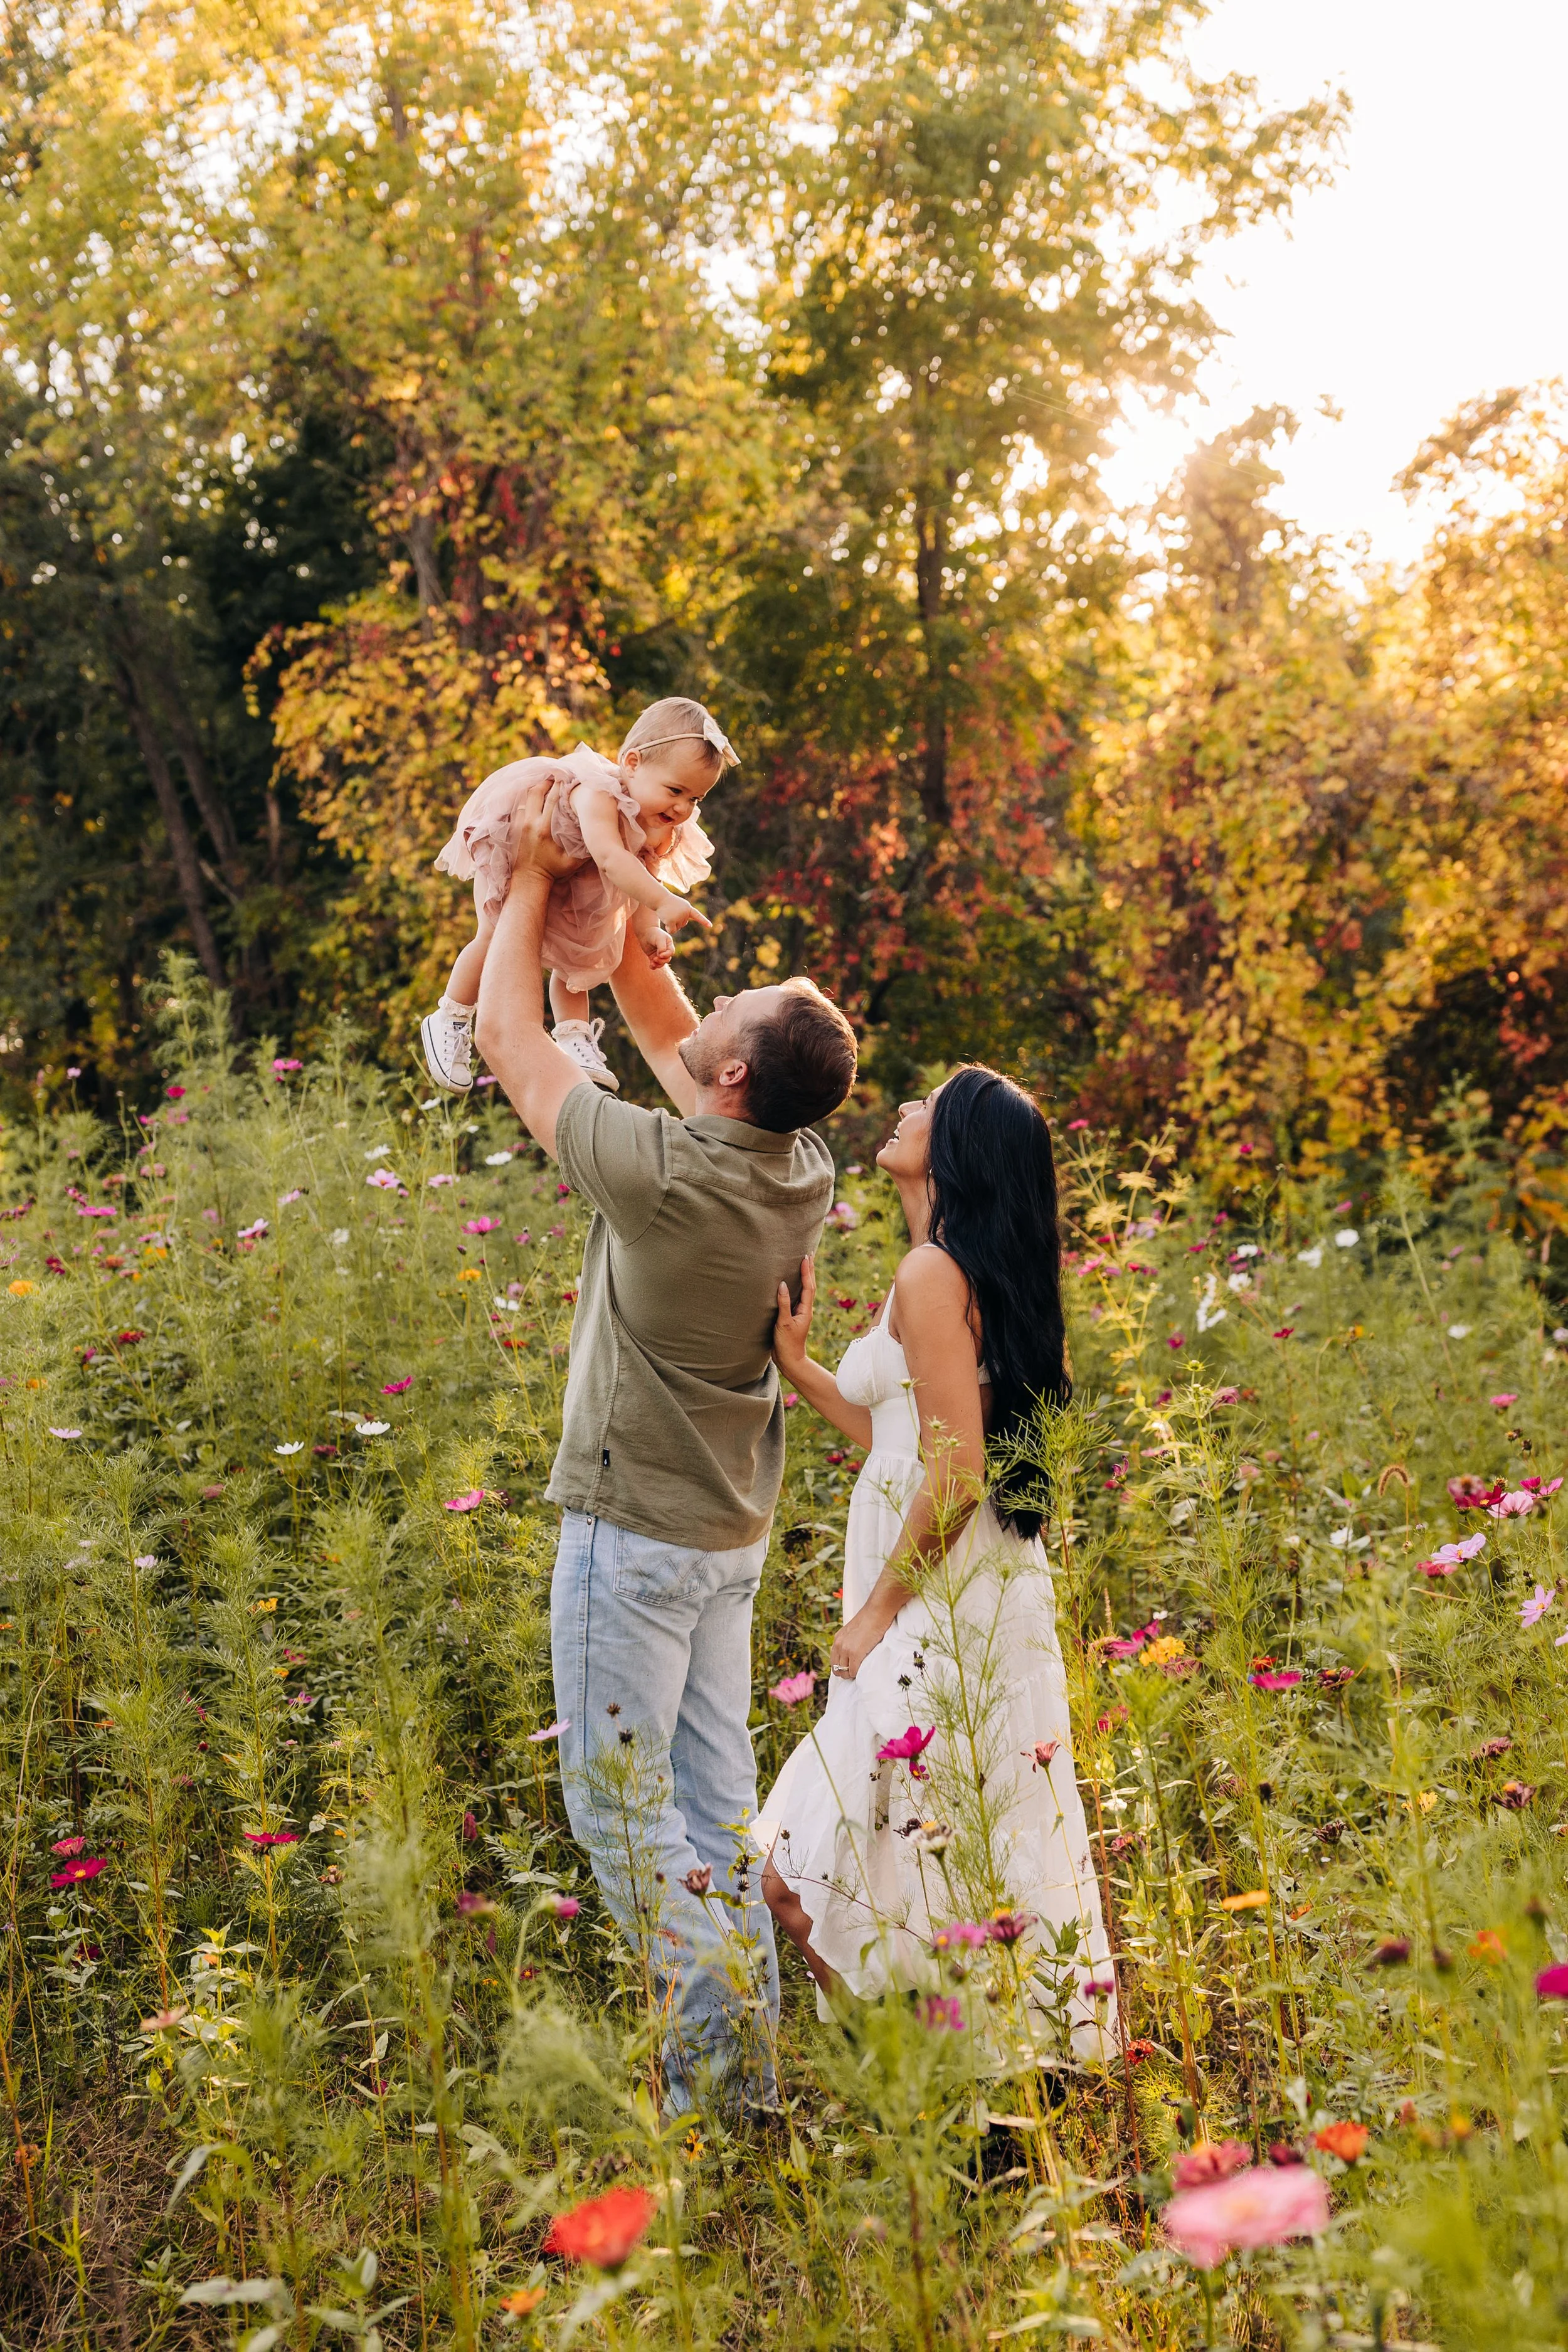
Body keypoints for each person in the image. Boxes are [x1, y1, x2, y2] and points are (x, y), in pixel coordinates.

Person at [472, 771, 858, 2112]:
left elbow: (511, 1047)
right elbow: (653, 1010)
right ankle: (742, 2088)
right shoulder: (796, 1167)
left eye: (732, 1011)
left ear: (736, 1068)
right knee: (707, 1814)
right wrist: (610, 861)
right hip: (723, 1543)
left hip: (633, 1538)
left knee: (625, 1825)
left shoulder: (664, 1175)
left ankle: (719, 2087)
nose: (713, 1003)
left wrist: (526, 881)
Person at [757, 1066, 1116, 2062]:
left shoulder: (935, 1274)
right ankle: (957, 2081)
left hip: (935, 1594)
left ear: (955, 1145)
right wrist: (801, 1368)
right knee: (921, 1845)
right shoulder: (937, 1266)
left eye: (927, 1103)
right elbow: (898, 1436)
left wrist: (876, 1612)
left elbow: (956, 1473)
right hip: (956, 1579)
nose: (905, 1109)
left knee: (810, 1864)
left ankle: (921, 2072)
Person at [421, 696, 737, 1095]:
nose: (682, 808)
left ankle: (573, 1038)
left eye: (695, 799)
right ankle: (450, 1015)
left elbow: (642, 870)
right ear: (633, 764)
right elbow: (609, 858)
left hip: (572, 884)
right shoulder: (596, 793)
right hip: (524, 855)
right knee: (493, 937)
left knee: (582, 957)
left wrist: (648, 929)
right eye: (675, 790)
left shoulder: (661, 823)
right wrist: (663, 900)